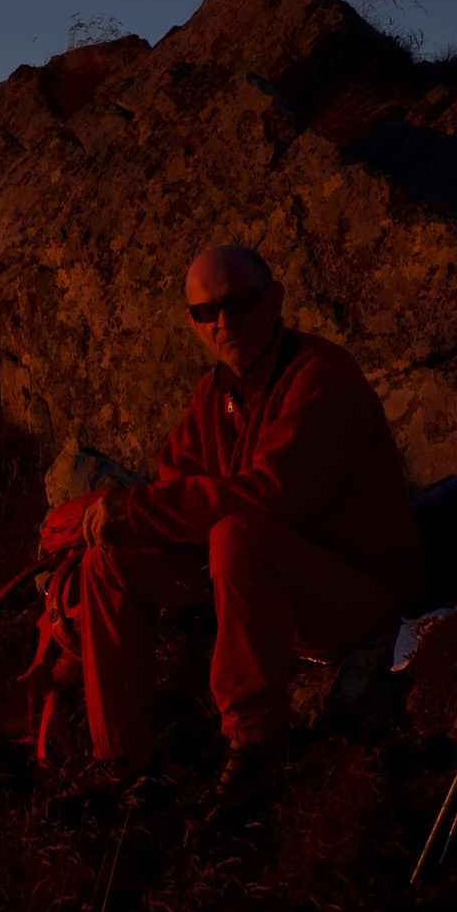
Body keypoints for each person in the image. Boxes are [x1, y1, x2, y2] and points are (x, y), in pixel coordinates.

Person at [66, 245, 426, 812]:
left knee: (239, 533)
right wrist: (121, 522)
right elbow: (175, 489)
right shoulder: (214, 397)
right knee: (107, 563)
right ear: (194, 323)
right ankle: (122, 758)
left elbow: (274, 495)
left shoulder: (319, 373)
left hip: (364, 593)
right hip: (278, 583)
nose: (224, 322)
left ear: (275, 300)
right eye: (208, 312)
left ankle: (258, 748)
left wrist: (137, 510)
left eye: (242, 303)